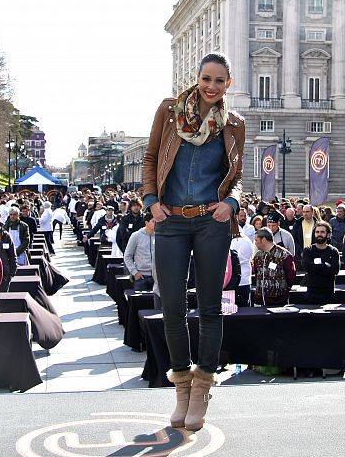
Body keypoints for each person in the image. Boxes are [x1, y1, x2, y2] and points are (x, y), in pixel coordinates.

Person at [142, 53, 245, 431]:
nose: (211, 86)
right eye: (206, 78)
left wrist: (230, 203)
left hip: (210, 223)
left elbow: (236, 175)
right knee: (171, 306)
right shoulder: (169, 111)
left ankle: (202, 388)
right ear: (197, 78)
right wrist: (151, 202)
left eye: (219, 81)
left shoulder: (234, 124)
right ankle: (181, 386)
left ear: (228, 84)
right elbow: (151, 157)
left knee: (209, 308)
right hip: (170, 220)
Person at [251, 227, 296, 306]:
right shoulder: (257, 256)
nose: (255, 243)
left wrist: (283, 289)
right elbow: (256, 272)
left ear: (263, 240)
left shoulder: (284, 255)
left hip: (279, 301)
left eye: (256, 240)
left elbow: (291, 275)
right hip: (260, 300)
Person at [301, 221, 341, 305]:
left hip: (328, 293)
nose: (319, 234)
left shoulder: (333, 251)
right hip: (312, 293)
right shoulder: (308, 251)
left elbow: (335, 270)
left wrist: (315, 267)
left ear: (328, 234)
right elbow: (307, 267)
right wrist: (325, 265)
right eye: (317, 232)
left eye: (322, 232)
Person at [123, 212, 156, 292]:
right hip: (141, 276)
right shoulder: (136, 236)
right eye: (153, 221)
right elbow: (127, 256)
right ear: (146, 223)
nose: (156, 224)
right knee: (139, 303)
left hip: (156, 277)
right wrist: (135, 272)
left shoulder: (160, 236)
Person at [230, 229, 254, 307]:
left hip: (232, 281)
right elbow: (251, 257)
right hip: (244, 280)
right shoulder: (247, 240)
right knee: (245, 311)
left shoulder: (226, 240)